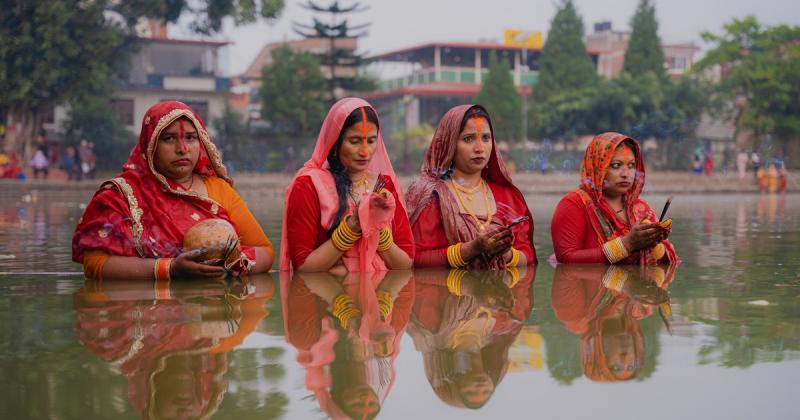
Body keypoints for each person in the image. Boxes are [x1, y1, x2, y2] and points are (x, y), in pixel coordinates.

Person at [72, 101, 274, 280]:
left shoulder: (219, 190)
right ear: (150, 145)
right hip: (150, 314)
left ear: (201, 141)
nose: (182, 148)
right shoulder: (121, 196)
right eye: (169, 138)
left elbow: (265, 253)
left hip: (216, 316)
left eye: (191, 137)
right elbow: (95, 265)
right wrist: (169, 269)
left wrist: (232, 265)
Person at [73, 274, 274, 419]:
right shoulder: (220, 338)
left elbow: (260, 259)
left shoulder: (122, 345)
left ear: (154, 409)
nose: (184, 415)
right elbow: (97, 268)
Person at [281, 97, 413, 273]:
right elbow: (304, 268)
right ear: (334, 143)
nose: (365, 152)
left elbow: (405, 264)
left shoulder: (384, 186)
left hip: (380, 296)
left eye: (372, 141)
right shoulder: (308, 185)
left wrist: (376, 228)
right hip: (330, 299)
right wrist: (352, 226)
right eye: (355, 141)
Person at [406, 105, 536, 270]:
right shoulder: (430, 196)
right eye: (469, 139)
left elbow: (528, 255)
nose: (480, 148)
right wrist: (471, 249)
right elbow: (413, 259)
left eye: (486, 138)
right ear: (449, 144)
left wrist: (506, 254)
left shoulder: (508, 197)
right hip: (449, 294)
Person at [282, 270, 413, 419]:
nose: (366, 398)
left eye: (357, 405)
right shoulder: (387, 343)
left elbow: (303, 282)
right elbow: (406, 287)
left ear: (338, 397)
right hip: (377, 267)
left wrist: (345, 310)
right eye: (372, 404)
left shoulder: (306, 339)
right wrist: (379, 314)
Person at [406, 268, 534, 409]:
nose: (480, 388)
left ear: (453, 382)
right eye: (487, 392)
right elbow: (522, 281)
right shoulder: (504, 327)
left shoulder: (432, 328)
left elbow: (423, 281)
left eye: (471, 393)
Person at [551, 132, 678, 265]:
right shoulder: (574, 204)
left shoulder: (640, 207)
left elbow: (669, 261)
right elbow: (566, 259)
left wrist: (654, 244)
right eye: (616, 166)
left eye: (631, 166)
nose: (626, 174)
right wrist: (627, 244)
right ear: (598, 167)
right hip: (591, 285)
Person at [552, 264, 674, 382]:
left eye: (617, 367)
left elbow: (568, 268)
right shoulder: (644, 307)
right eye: (631, 366)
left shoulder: (573, 314)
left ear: (597, 357)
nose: (625, 357)